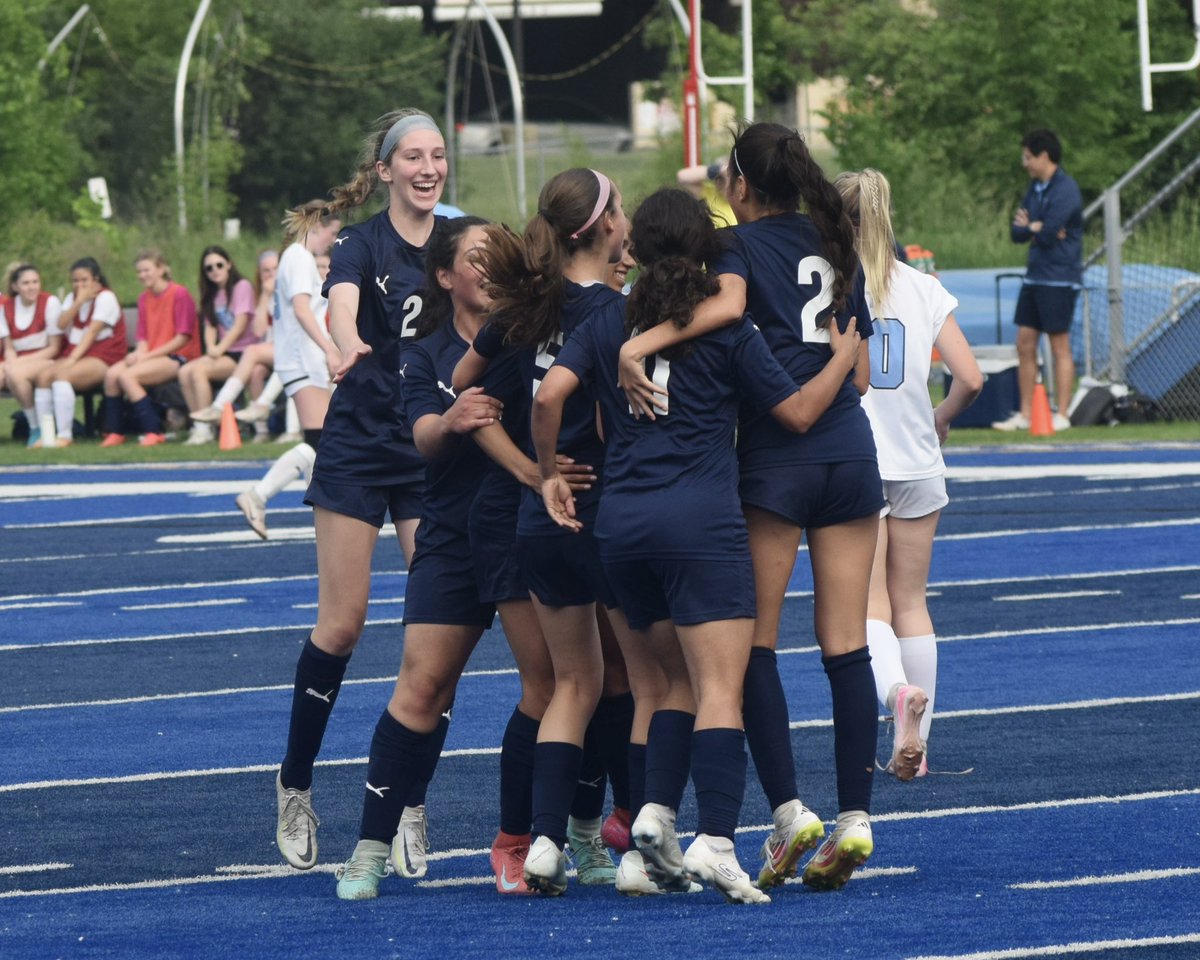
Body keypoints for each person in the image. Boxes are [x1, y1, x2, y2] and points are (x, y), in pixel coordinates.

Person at [532, 187, 863, 902]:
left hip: (620, 527)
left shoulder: (607, 320)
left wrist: (547, 472)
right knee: (719, 686)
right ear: (706, 251)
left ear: (635, 251)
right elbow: (802, 413)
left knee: (665, 686)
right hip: (700, 524)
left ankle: (648, 829)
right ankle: (717, 839)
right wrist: (844, 356)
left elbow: (546, 397)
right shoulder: (728, 334)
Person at [618, 121, 881, 893]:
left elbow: (728, 307)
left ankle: (790, 809)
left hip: (775, 457)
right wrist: (832, 362)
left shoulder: (733, 250)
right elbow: (859, 374)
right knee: (846, 646)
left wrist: (638, 345)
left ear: (738, 185)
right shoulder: (836, 245)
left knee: (752, 648)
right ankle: (857, 818)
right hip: (850, 450)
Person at [272, 109, 449, 877]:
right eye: (412, 155)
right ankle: (296, 782)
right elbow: (339, 302)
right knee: (341, 628)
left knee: (434, 643)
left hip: (428, 448)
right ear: (383, 170)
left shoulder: (460, 239)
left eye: (438, 154)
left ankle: (408, 796)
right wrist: (346, 346)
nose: (428, 166)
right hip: (358, 445)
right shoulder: (358, 243)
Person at [835, 169, 983, 779]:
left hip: (856, 455)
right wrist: (941, 417)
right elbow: (971, 377)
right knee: (912, 603)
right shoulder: (923, 287)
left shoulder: (834, 290)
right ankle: (919, 748)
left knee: (868, 605)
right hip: (919, 457)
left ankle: (896, 695)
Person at [234, 251, 335, 539]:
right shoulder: (307, 294)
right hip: (306, 365)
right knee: (320, 441)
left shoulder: (310, 291)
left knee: (323, 442)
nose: (323, 271)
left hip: (303, 365)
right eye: (319, 266)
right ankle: (258, 494)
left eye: (327, 266)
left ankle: (319, 509)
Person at [993, 128, 1082, 432]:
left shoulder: (1066, 188)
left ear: (1044, 156)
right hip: (1034, 277)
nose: (1025, 163)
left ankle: (1063, 413)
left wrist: (1037, 228)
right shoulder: (1034, 188)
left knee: (1059, 345)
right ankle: (1026, 414)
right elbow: (1018, 232)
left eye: (1028, 157)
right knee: (1024, 343)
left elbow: (1048, 233)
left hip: (1058, 278)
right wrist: (1037, 226)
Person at [97, 251, 199, 447]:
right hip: (153, 356)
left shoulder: (179, 293)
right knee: (112, 375)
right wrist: (138, 354)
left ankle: (153, 430)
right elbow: (143, 336)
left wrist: (146, 356)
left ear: (161, 269)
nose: (143, 275)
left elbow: (182, 337)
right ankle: (115, 431)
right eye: (139, 271)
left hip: (178, 356)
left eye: (147, 270)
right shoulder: (144, 298)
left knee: (128, 377)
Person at [32, 258, 129, 448]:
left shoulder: (106, 298)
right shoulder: (73, 298)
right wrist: (78, 301)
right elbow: (61, 324)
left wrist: (72, 359)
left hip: (103, 356)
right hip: (78, 354)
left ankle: (65, 435)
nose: (79, 285)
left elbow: (92, 332)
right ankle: (46, 434)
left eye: (84, 280)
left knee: (62, 375)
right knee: (43, 377)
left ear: (96, 279)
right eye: (75, 281)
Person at [180, 247, 259, 444]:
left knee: (198, 371)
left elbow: (240, 324)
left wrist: (219, 348)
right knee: (184, 372)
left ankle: (206, 429)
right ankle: (198, 424)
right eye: (209, 268)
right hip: (222, 352)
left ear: (229, 264)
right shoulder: (212, 294)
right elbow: (210, 326)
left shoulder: (242, 286)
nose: (215, 270)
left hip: (242, 353)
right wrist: (211, 349)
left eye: (219, 265)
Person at [205, 249, 281, 443]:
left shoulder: (294, 291)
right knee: (255, 371)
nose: (271, 274)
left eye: (275, 268)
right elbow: (258, 330)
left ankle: (220, 405)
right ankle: (262, 431)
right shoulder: (265, 294)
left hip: (290, 350)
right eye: (266, 270)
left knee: (251, 351)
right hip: (272, 350)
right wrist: (265, 295)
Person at [0, 264, 65, 447]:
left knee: (15, 373)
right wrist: (11, 360)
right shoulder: (7, 308)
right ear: (15, 287)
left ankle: (35, 427)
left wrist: (16, 363)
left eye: (35, 282)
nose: (32, 287)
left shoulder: (49, 302)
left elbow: (54, 348)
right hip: (18, 360)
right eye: (26, 283)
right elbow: (9, 347)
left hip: (47, 359)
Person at [677, 159, 736, 228]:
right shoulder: (709, 193)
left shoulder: (745, 198)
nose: (720, 183)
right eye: (719, 178)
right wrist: (720, 170)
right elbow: (682, 177)